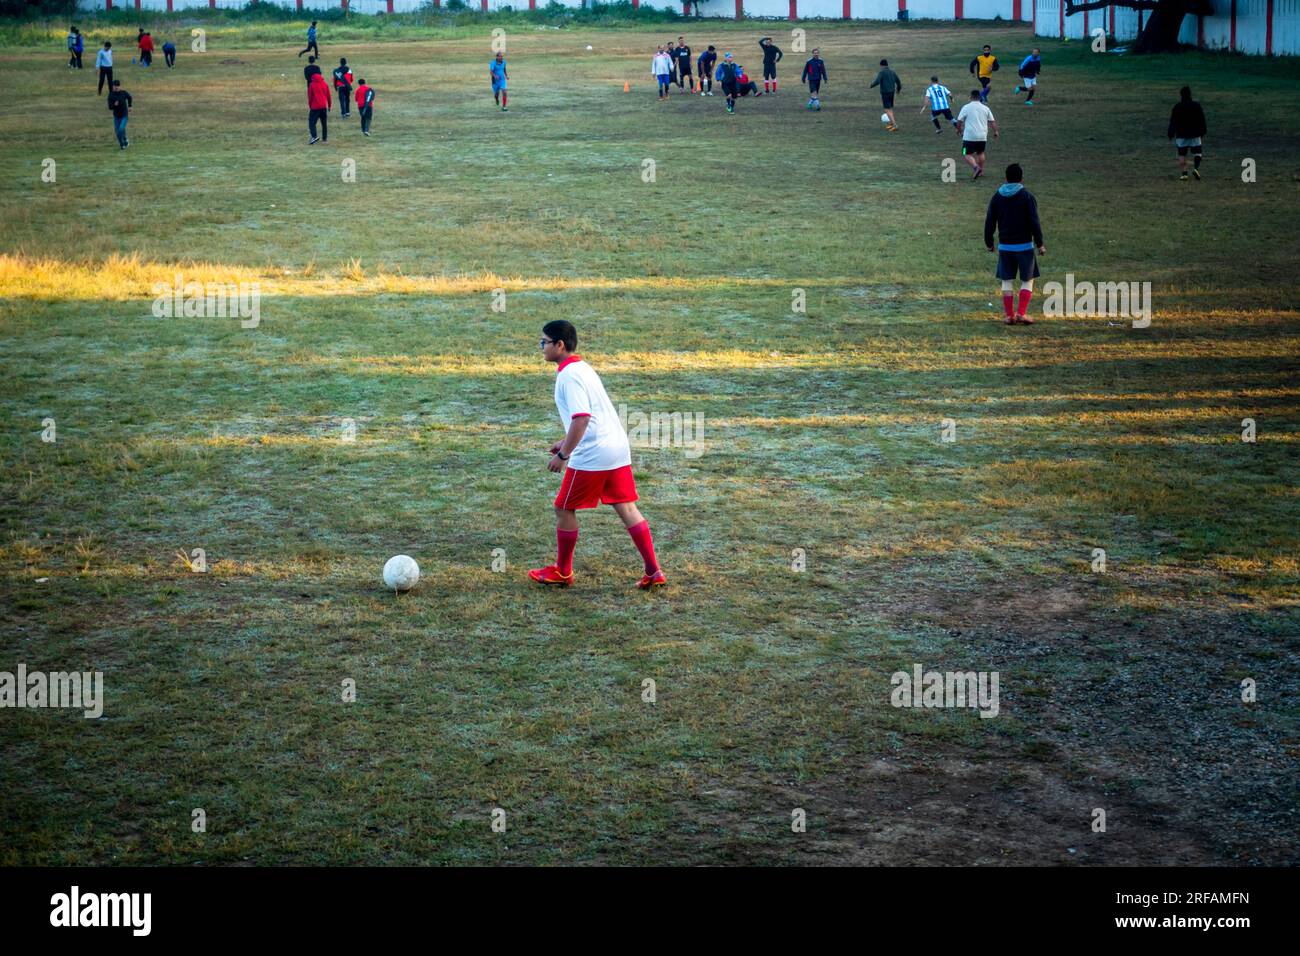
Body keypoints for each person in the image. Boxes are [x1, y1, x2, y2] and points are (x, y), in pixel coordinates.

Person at [529, 321, 666, 590]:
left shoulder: (568, 376)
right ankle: (654, 571)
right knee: (626, 507)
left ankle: (563, 572)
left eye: (544, 342)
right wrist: (563, 441)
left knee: (564, 508)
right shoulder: (583, 368)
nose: (541, 347)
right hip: (615, 447)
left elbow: (582, 418)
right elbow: (590, 417)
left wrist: (564, 454)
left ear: (560, 345)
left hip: (593, 454)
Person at [984, 163, 1046, 325]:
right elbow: (1034, 222)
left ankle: (1009, 315)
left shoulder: (997, 196)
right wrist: (1040, 243)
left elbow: (990, 221)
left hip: (1005, 246)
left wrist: (989, 242)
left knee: (1007, 280)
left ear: (1006, 178)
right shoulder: (1026, 196)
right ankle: (1022, 313)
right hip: (1024, 246)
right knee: (1028, 280)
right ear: (1021, 179)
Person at [956, 89, 998, 180]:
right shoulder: (986, 108)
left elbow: (959, 121)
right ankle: (981, 170)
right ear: (980, 97)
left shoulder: (966, 107)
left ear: (970, 97)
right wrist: (996, 132)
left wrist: (958, 130)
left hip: (969, 137)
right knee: (981, 152)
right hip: (982, 137)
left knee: (965, 154)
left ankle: (976, 168)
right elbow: (992, 121)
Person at [1168, 86, 1207, 181]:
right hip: (1195, 133)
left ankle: (1184, 173)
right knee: (1198, 152)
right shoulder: (1196, 106)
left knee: (1182, 154)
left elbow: (1173, 121)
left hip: (1181, 134)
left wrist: (1171, 133)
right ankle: (1196, 169)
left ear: (1181, 95)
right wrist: (1203, 131)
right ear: (1190, 94)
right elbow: (1202, 119)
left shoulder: (1177, 107)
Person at [871, 59, 902, 131]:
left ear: (881, 65)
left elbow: (877, 81)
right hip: (892, 92)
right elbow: (898, 81)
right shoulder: (892, 72)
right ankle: (891, 123)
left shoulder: (882, 72)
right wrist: (898, 90)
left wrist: (871, 85)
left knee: (886, 109)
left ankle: (895, 125)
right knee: (890, 108)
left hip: (885, 93)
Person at [107, 79, 132, 149]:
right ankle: (122, 144)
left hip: (124, 115)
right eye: (115, 86)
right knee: (117, 132)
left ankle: (124, 141)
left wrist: (130, 106)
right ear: (112, 87)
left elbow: (129, 97)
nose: (116, 87)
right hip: (116, 116)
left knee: (121, 129)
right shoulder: (111, 95)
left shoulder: (123, 93)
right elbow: (110, 107)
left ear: (120, 86)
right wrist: (114, 105)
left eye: (118, 86)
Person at [307, 70, 330, 144]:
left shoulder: (312, 85)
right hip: (323, 106)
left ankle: (314, 136)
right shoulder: (325, 84)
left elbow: (310, 97)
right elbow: (328, 96)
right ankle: (325, 139)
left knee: (312, 122)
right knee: (324, 123)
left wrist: (310, 105)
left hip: (315, 107)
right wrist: (329, 105)